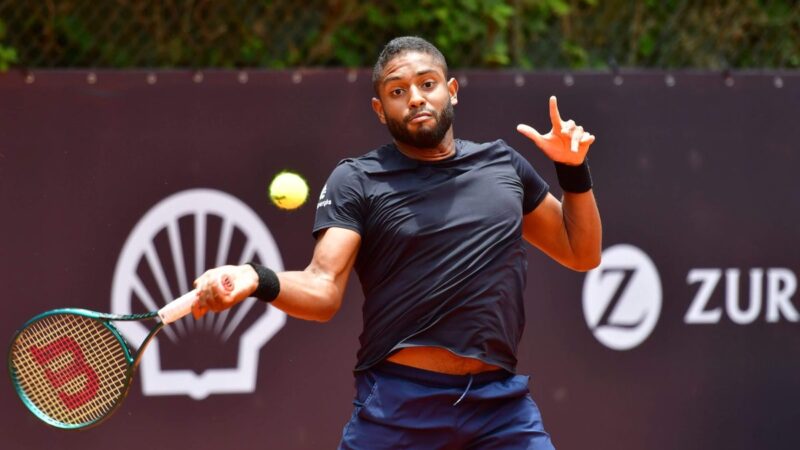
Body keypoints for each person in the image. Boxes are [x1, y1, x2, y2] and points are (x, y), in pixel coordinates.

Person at [193, 36, 601, 449]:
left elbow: (580, 252)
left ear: (452, 91)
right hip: (399, 407)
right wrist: (253, 277)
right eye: (398, 91)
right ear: (380, 110)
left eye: (428, 84)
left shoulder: (502, 165)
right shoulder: (358, 180)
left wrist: (573, 171)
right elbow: (322, 287)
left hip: (499, 408)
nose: (417, 99)